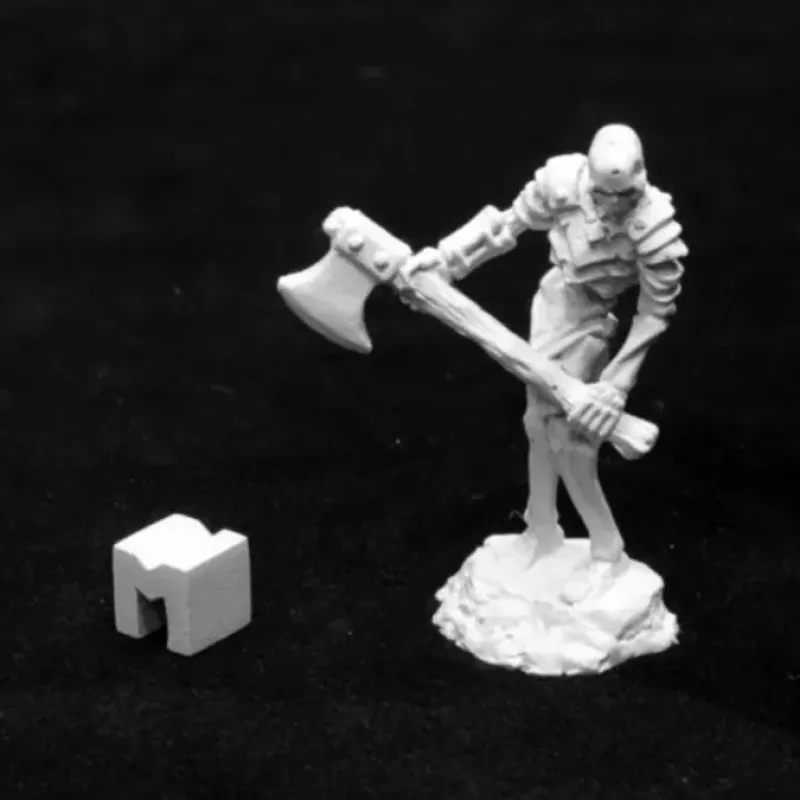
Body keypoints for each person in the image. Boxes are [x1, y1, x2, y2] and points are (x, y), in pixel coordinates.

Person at [402, 124, 688, 602]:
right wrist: (447, 259)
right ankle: (541, 528)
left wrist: (615, 385)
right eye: (603, 194)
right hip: (552, 305)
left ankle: (607, 551)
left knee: (571, 440)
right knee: (537, 424)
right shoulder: (562, 182)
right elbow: (507, 224)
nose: (613, 205)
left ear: (641, 182)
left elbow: (655, 313)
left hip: (591, 321)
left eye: (625, 196)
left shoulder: (654, 227)